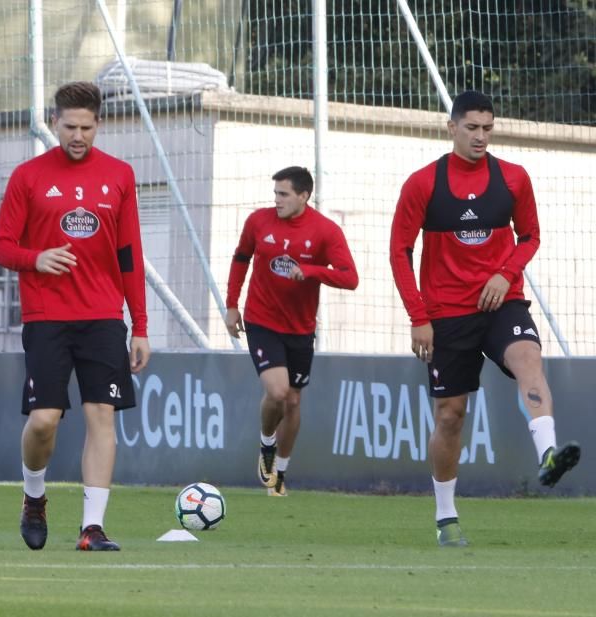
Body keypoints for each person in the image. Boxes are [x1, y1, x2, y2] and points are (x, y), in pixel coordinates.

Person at [389, 91, 581, 547]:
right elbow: (400, 251)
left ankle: (548, 453)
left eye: (488, 128)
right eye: (472, 127)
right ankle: (445, 516)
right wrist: (419, 316)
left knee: (528, 360)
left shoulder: (513, 179)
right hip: (445, 314)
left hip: (502, 304)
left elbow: (530, 236)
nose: (481, 136)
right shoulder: (422, 184)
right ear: (450, 127)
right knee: (451, 416)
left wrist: (505, 272)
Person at [0, 81, 150, 551]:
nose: (78, 136)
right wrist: (36, 258)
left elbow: (129, 255)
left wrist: (139, 325)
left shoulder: (120, 176)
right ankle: (34, 497)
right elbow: (2, 246)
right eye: (69, 127)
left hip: (103, 316)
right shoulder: (28, 176)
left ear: (98, 124)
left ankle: (92, 527)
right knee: (44, 420)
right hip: (47, 317)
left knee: (102, 414)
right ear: (54, 122)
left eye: (87, 127)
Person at [226, 166, 358, 497]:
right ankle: (267, 443)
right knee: (279, 392)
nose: (277, 200)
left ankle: (279, 475)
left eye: (284, 194)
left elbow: (350, 277)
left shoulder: (325, 231)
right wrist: (232, 304)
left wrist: (311, 271)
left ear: (303, 195)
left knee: (294, 401)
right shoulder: (259, 221)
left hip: (300, 328)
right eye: (275, 194)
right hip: (261, 320)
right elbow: (241, 258)